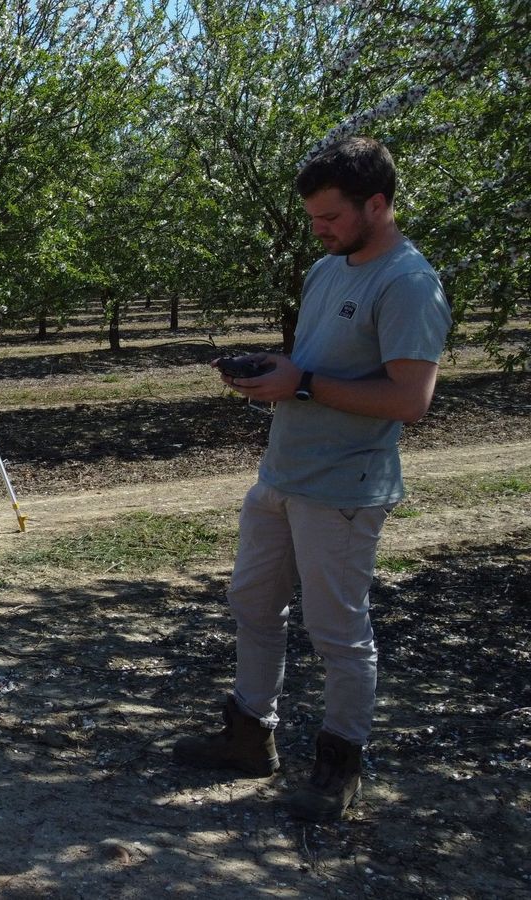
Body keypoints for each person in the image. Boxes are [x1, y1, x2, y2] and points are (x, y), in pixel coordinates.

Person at [173, 136, 452, 822]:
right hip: (284, 473)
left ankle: (339, 766)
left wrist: (301, 387)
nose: (318, 229)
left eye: (329, 216)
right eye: (312, 217)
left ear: (377, 204)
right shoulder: (327, 270)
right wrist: (274, 372)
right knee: (253, 604)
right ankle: (249, 736)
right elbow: (313, 364)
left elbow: (410, 400)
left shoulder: (409, 284)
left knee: (337, 631)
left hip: (345, 488)